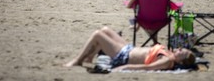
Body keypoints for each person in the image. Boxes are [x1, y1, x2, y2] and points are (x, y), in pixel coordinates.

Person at [64, 26, 195, 71]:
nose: (179, 49)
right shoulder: (169, 53)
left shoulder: (167, 61)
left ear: (180, 61)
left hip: (124, 57)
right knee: (105, 30)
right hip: (129, 49)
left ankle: (78, 60)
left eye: (181, 52)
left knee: (98, 35)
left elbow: (146, 68)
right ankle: (89, 58)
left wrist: (125, 68)